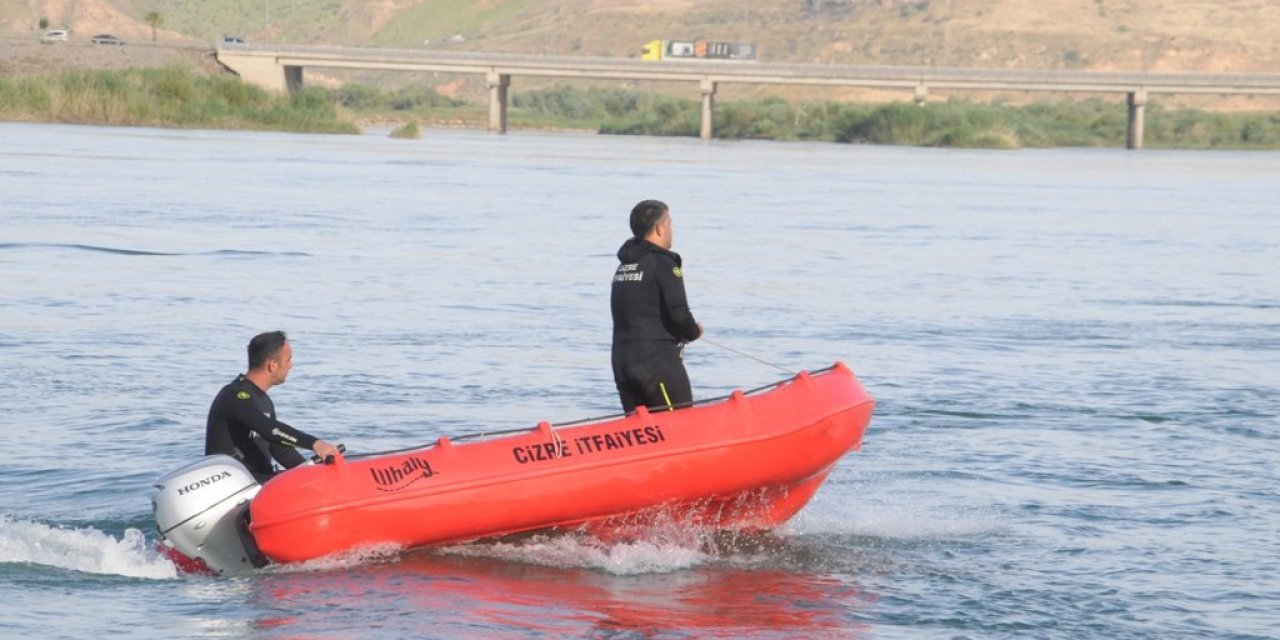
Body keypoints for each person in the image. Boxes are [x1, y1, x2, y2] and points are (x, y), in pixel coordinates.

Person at [205, 331, 340, 483]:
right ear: (273, 365)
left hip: (263, 482)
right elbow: (269, 429)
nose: (291, 366)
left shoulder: (264, 401)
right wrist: (315, 444)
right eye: (288, 360)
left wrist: (317, 474)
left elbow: (281, 451)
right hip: (237, 487)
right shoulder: (235, 395)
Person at [610, 199, 704, 413]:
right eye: (669, 223)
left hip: (623, 364)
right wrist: (693, 332)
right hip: (657, 366)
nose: (671, 229)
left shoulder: (624, 266)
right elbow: (679, 314)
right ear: (660, 228)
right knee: (678, 425)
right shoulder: (664, 263)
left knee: (643, 430)